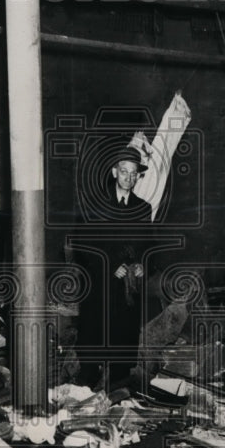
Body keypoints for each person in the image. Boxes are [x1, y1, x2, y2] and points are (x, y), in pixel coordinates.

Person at [72, 142, 155, 390]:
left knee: (122, 346)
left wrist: (143, 265)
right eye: (123, 171)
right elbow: (82, 244)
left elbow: (150, 245)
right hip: (100, 286)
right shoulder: (95, 204)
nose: (128, 178)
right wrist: (110, 266)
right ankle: (87, 386)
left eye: (133, 173)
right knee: (94, 343)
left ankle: (119, 391)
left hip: (127, 292)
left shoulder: (143, 207)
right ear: (114, 172)